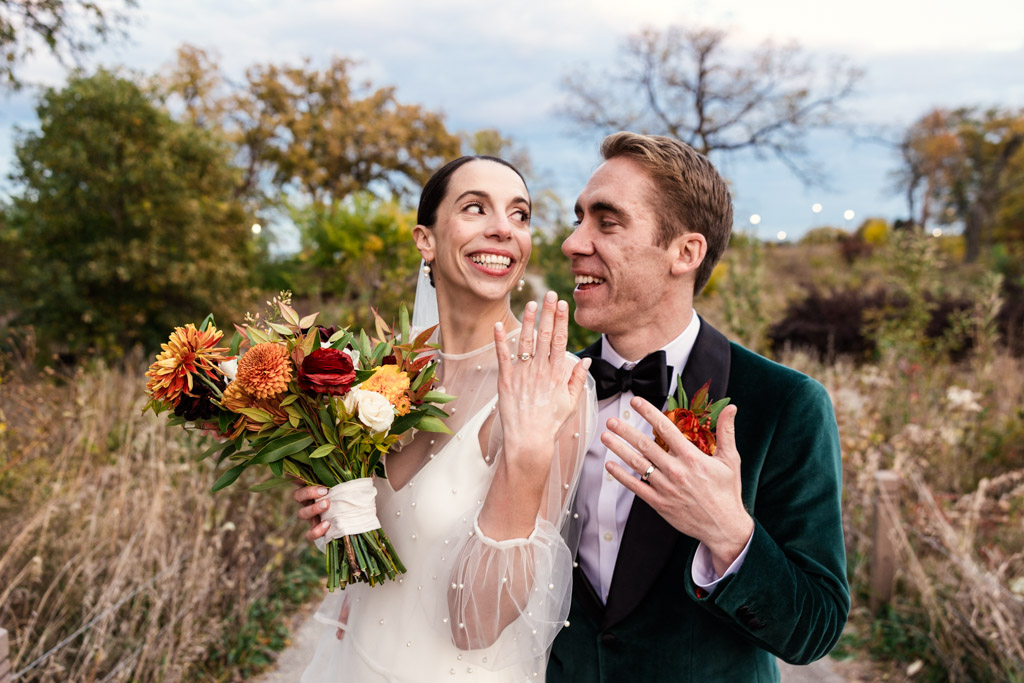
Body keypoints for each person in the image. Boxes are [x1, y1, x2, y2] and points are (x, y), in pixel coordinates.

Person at [547, 132, 849, 682]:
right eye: (578, 218)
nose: (573, 242)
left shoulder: (785, 404)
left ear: (685, 252)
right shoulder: (551, 386)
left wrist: (731, 534)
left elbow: (816, 627)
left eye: (606, 221)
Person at [293, 155, 598, 682]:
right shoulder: (381, 369)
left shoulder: (550, 385)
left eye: (519, 215)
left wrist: (526, 455)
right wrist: (332, 512)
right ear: (425, 240)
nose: (504, 228)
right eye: (476, 208)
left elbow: (476, 625)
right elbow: (372, 556)